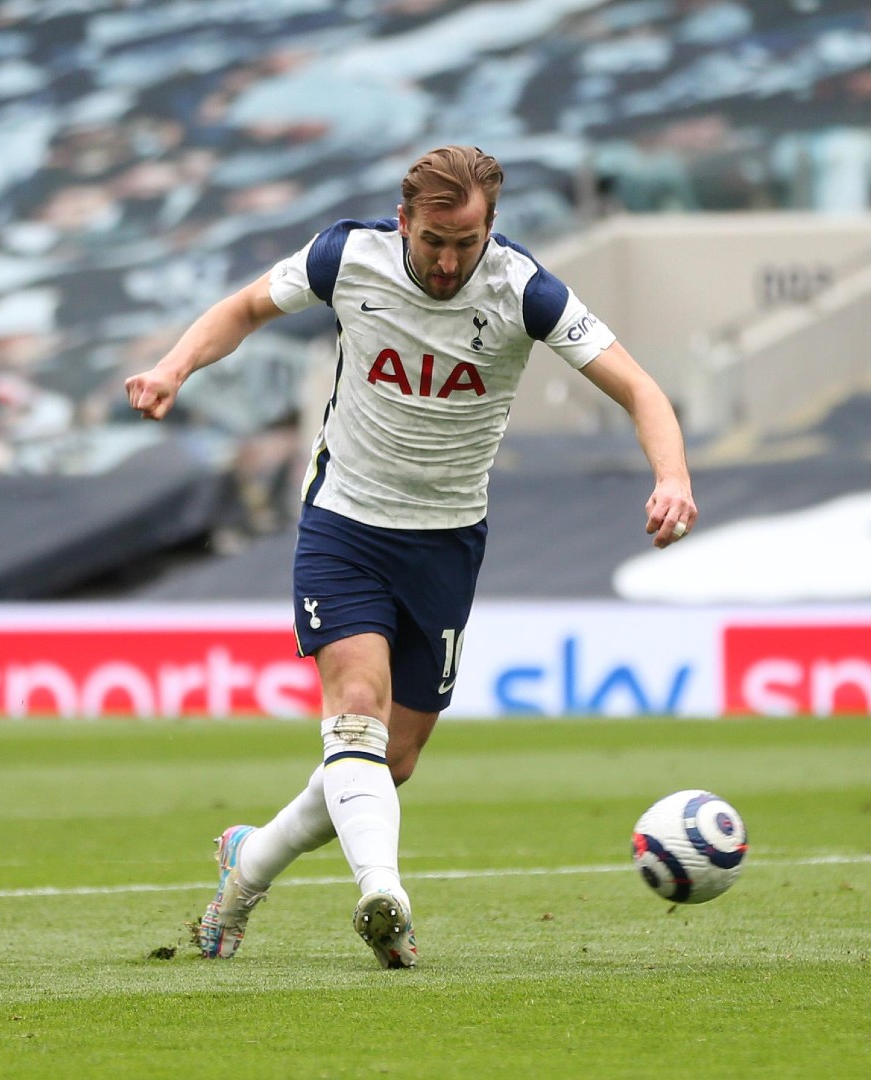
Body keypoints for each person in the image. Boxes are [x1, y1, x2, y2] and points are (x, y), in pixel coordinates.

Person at [125, 146, 697, 968]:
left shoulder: (525, 291)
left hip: (447, 541)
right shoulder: (345, 257)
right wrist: (174, 365)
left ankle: (246, 865)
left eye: (466, 242)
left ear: (490, 230)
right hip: (344, 525)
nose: (447, 260)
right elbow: (247, 307)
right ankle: (383, 896)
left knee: (390, 759)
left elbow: (640, 388)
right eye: (434, 239)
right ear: (405, 221)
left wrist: (672, 477)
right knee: (354, 704)